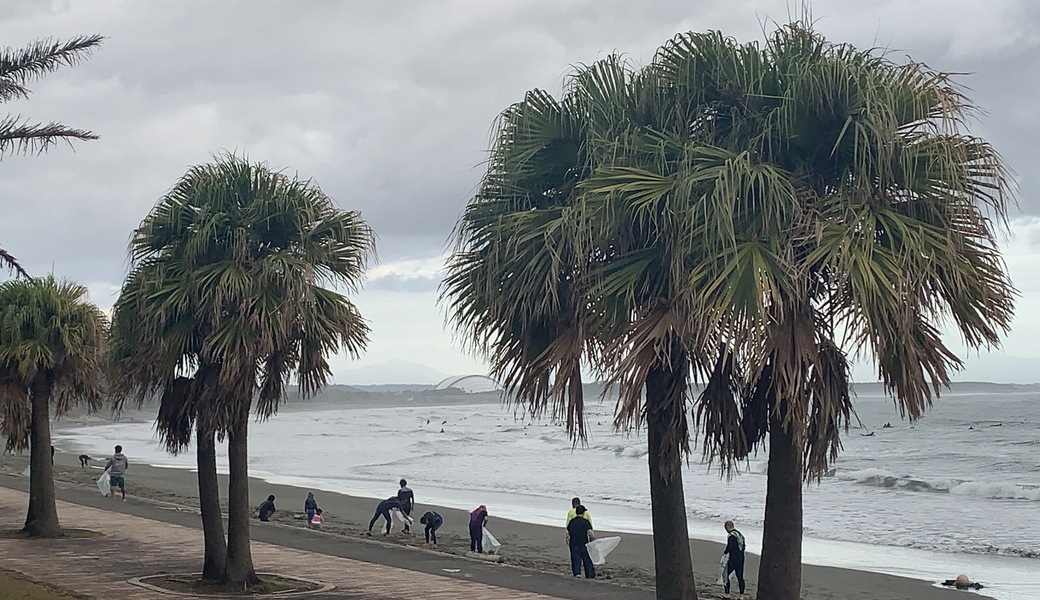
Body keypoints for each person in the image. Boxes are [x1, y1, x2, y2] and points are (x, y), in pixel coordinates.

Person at [566, 505, 596, 579]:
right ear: (583, 513)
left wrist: (567, 538)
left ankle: (577, 573)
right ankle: (589, 574)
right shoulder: (585, 522)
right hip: (583, 542)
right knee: (586, 559)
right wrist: (592, 539)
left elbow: (568, 531)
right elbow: (590, 532)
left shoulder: (572, 521)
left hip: (573, 542)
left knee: (575, 558)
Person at [723, 520, 746, 596]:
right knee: (740, 577)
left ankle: (727, 594)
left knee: (725, 575)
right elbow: (743, 547)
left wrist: (725, 552)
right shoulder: (740, 535)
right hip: (741, 557)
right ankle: (741, 595)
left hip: (733, 558)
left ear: (727, 527)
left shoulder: (731, 536)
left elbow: (730, 547)